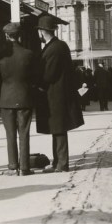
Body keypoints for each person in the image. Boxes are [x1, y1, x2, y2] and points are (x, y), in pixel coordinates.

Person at [35, 15, 84, 173]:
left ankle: (62, 164)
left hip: (55, 95)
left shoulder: (53, 49)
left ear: (42, 32)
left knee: (59, 129)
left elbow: (49, 74)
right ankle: (57, 162)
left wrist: (37, 84)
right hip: (59, 94)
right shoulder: (59, 46)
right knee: (57, 129)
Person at [0, 22, 37, 176]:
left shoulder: (0, 55)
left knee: (10, 134)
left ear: (6, 35)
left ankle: (13, 167)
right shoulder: (28, 54)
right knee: (24, 133)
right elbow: (34, 77)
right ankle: (25, 168)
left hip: (6, 99)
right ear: (19, 36)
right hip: (24, 98)